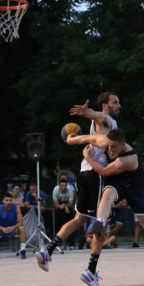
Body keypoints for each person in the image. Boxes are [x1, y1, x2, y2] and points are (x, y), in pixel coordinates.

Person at [63, 129, 144, 286]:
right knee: (106, 196)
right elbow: (86, 138)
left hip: (134, 187)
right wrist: (70, 139)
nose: (110, 150)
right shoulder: (105, 142)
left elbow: (104, 171)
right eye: (108, 146)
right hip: (117, 183)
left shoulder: (129, 158)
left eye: (114, 148)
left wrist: (88, 158)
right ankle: (100, 222)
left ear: (122, 146)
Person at [35, 93, 120, 274]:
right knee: (101, 222)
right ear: (105, 105)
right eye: (115, 102)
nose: (119, 105)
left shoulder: (107, 124)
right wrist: (86, 112)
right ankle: (91, 271)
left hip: (85, 172)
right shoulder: (106, 120)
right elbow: (98, 116)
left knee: (79, 219)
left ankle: (47, 251)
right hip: (96, 174)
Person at [0, 193, 27, 260]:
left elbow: (21, 222)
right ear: (3, 201)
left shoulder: (16, 207)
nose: (8, 202)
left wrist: (13, 227)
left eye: (10, 200)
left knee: (22, 228)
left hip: (13, 228)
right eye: (7, 200)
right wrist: (2, 228)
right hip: (2, 229)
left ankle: (23, 251)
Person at [53, 180, 75, 249]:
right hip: (59, 208)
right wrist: (61, 206)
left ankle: (71, 243)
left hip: (68, 208)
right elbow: (56, 204)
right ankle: (58, 243)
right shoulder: (56, 191)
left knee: (70, 225)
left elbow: (71, 204)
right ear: (59, 186)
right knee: (58, 225)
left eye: (65, 185)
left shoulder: (70, 191)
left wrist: (65, 205)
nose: (64, 187)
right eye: (62, 186)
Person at [132, 176, 144, 248]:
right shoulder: (134, 178)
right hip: (136, 202)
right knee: (137, 223)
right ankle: (136, 242)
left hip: (143, 202)